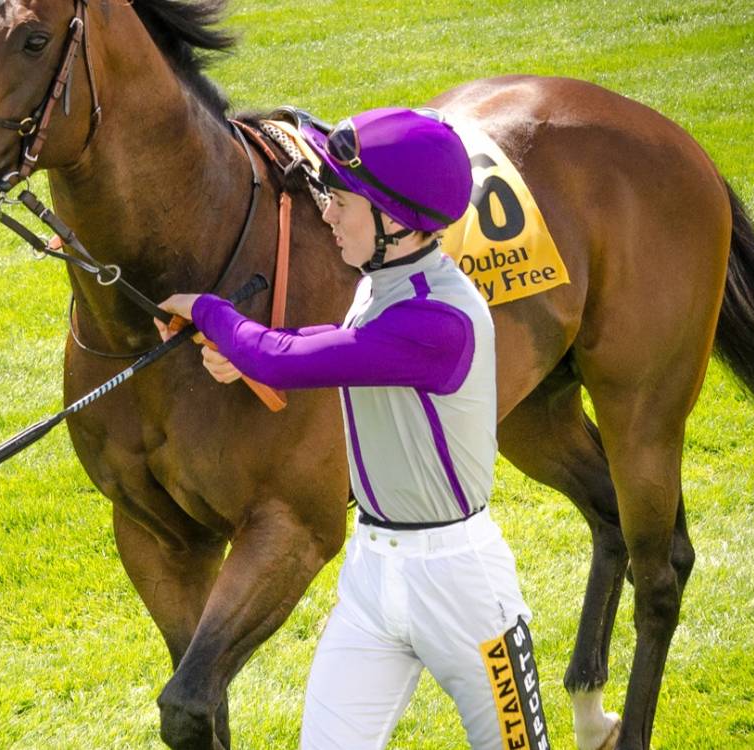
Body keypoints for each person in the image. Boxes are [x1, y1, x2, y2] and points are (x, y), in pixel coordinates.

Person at [158, 107, 551, 750]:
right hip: (373, 577)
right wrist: (248, 347)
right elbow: (337, 342)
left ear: (395, 220)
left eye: (340, 202)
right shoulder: (384, 284)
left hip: (463, 590)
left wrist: (211, 311)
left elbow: (289, 361)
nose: (328, 215)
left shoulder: (438, 319)